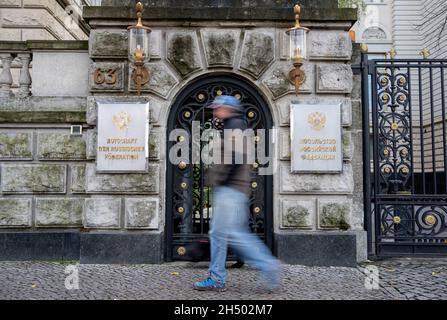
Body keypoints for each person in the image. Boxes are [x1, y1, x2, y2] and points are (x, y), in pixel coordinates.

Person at [193, 95, 280, 292]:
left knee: (232, 234)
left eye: (218, 107)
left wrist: (223, 181)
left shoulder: (235, 126)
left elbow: (236, 157)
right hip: (233, 189)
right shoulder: (234, 125)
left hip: (230, 189)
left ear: (227, 108)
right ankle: (217, 275)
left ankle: (265, 263)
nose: (215, 111)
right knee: (222, 233)